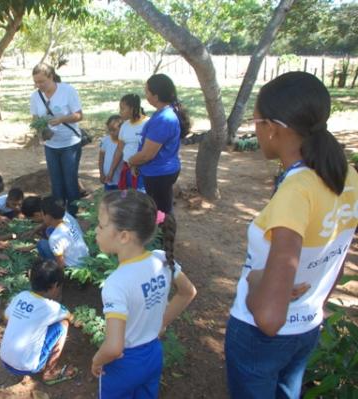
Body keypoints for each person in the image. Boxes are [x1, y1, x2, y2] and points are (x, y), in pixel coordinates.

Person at [225, 72, 358, 399]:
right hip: (307, 326)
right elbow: (339, 253)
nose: (255, 131)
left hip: (259, 336)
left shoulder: (296, 193)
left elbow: (269, 319)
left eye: (256, 122)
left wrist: (255, 281)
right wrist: (314, 301)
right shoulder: (346, 175)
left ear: (273, 128)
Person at [91, 190, 196, 398]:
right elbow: (187, 292)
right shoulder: (162, 259)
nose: (96, 230)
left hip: (124, 365)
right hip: (154, 355)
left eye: (101, 226)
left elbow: (113, 347)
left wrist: (97, 360)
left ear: (123, 236)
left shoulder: (116, 283)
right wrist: (160, 323)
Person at [0, 259, 78, 384]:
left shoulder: (21, 296)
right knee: (63, 324)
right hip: (27, 366)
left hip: (5, 359)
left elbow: (6, 317)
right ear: (54, 286)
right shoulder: (51, 307)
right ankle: (50, 372)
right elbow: (72, 318)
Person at [127, 74, 190, 213]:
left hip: (159, 174)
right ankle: (165, 232)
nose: (146, 95)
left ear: (156, 96)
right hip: (161, 170)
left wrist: (131, 161)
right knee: (162, 208)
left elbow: (147, 155)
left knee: (160, 213)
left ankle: (165, 234)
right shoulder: (165, 112)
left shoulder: (164, 119)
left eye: (147, 91)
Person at [30, 63, 83, 216]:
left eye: (42, 81)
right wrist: (39, 130)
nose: (39, 85)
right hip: (51, 144)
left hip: (70, 143)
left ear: (51, 77)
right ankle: (58, 214)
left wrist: (61, 119)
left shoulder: (68, 91)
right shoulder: (35, 96)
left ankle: (72, 213)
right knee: (56, 182)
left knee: (70, 180)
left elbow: (79, 115)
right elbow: (35, 118)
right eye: (36, 82)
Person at [108, 94, 149, 191]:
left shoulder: (147, 124)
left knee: (141, 200)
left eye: (122, 109)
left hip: (141, 170)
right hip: (127, 169)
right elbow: (119, 150)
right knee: (128, 200)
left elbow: (148, 151)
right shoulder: (124, 126)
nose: (120, 112)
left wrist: (135, 164)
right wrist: (111, 171)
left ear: (132, 108)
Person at [37, 196, 89, 268]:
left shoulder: (54, 237)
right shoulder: (68, 222)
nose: (42, 217)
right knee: (48, 231)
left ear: (48, 216)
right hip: (85, 261)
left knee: (42, 244)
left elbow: (61, 264)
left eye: (42, 214)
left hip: (73, 268)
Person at [99, 115, 123, 191]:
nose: (111, 132)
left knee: (122, 198)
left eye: (114, 130)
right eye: (109, 130)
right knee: (110, 199)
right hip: (108, 179)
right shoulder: (105, 140)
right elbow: (101, 158)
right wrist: (101, 173)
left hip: (121, 180)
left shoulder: (125, 142)